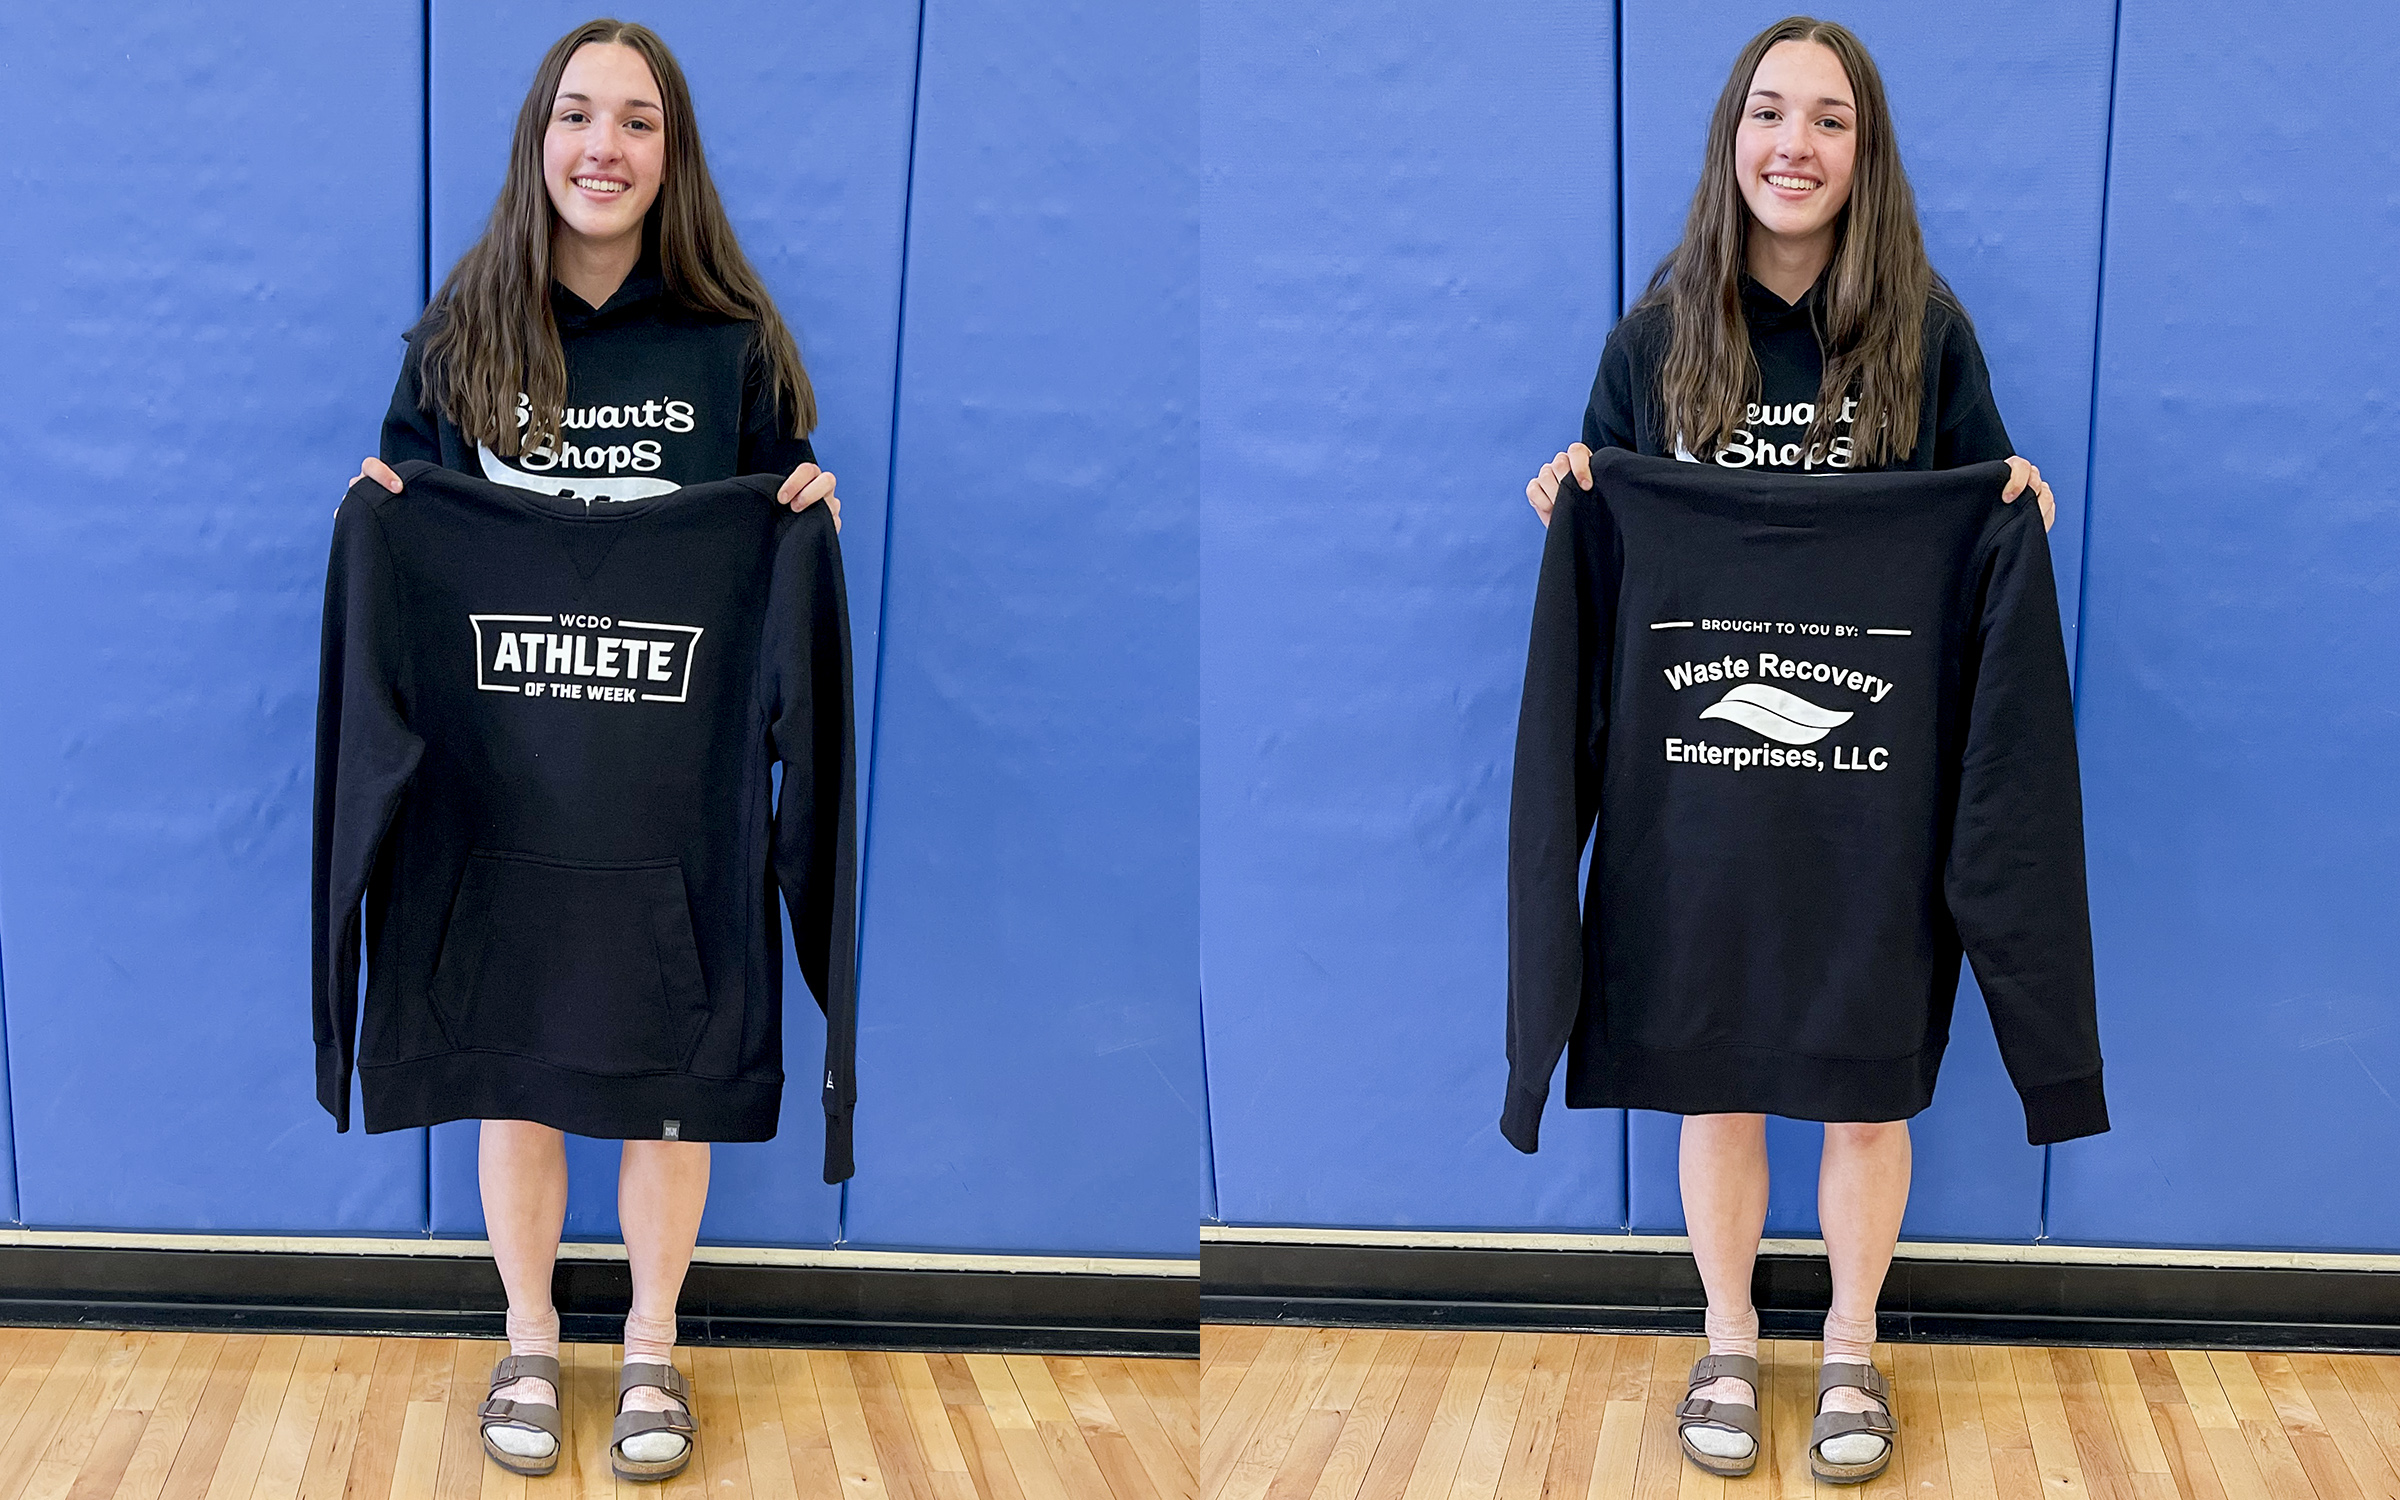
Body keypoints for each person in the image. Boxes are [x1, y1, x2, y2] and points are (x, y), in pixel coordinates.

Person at [1523, 16, 2057, 1486]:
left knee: (1869, 1088)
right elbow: (1605, 512)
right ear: (1731, 139)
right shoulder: (1655, 341)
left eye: (1829, 121)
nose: (1794, 146)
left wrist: (2018, 503)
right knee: (1718, 1082)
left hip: (1867, 800)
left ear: (1863, 154)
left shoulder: (1926, 335)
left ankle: (1850, 1349)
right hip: (1697, 796)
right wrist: (1572, 489)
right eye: (1770, 113)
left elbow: (1979, 513)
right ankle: (1730, 1337)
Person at [347, 18, 840, 1483]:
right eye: (578, 116)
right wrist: (383, 508)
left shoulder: (734, 351)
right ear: (538, 140)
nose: (602, 147)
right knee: (518, 1070)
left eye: (636, 122)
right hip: (502, 792)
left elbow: (768, 557)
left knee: (667, 1081)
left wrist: (804, 512)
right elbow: (410, 528)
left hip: (669, 797)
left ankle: (649, 1350)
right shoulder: (463, 337)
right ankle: (528, 1338)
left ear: (670, 156)